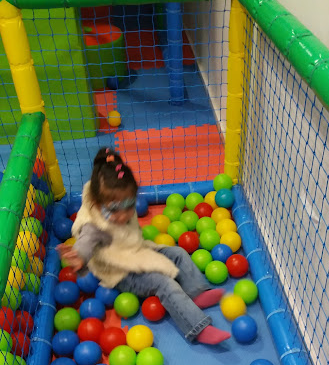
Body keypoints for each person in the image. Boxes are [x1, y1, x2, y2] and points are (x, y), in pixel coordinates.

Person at [57, 147, 231, 345]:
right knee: (164, 283)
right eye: (115, 208)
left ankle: (196, 293)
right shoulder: (95, 225)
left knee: (178, 253)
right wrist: (79, 257)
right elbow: (85, 243)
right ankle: (198, 327)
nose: (124, 214)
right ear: (97, 205)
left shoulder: (116, 201)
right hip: (122, 272)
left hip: (137, 252)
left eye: (129, 204)